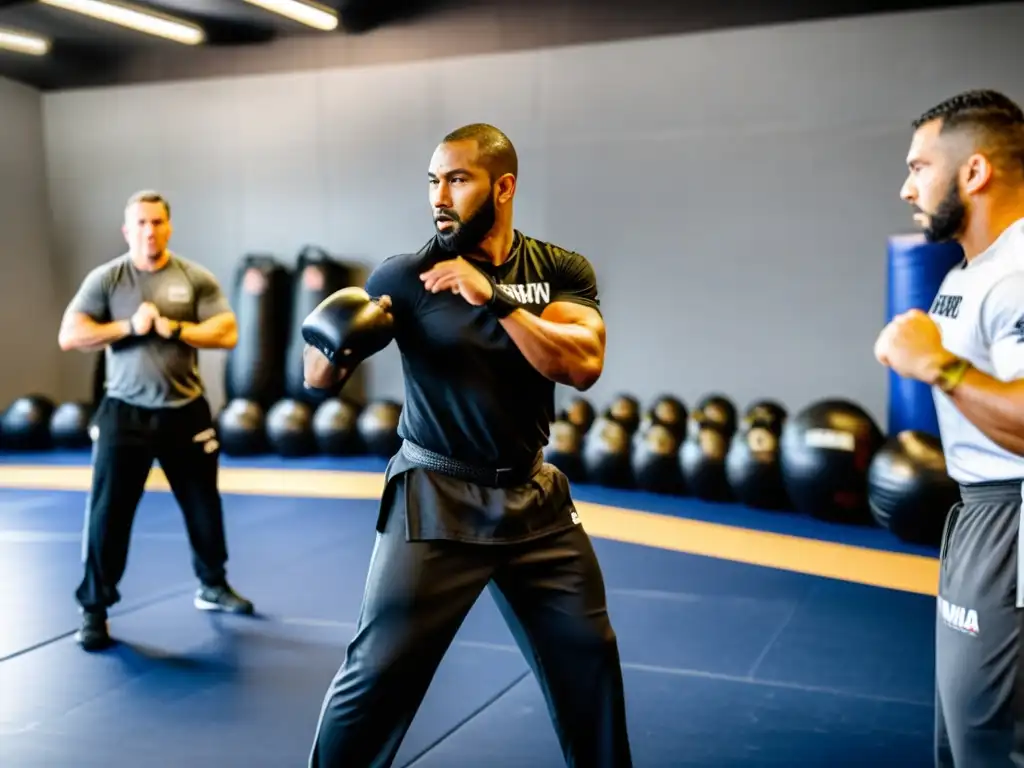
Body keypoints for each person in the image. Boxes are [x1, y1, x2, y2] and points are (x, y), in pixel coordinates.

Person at [300, 124, 633, 767]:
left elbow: (582, 364)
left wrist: (496, 300)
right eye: (433, 181)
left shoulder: (559, 270)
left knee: (588, 660)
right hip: (436, 498)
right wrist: (329, 347)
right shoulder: (406, 276)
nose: (440, 197)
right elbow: (317, 382)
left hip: (534, 504)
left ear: (502, 187)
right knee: (377, 675)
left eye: (457, 179)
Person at [875, 89, 1024, 766]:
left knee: (994, 743)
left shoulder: (1019, 271)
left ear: (974, 172)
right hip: (976, 518)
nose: (907, 187)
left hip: (1013, 520)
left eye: (918, 167)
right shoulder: (975, 269)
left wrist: (937, 365)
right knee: (964, 736)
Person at [58, 190, 254, 652]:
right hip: (123, 414)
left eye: (157, 223)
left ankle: (213, 585)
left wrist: (176, 328)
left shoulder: (193, 278)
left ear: (169, 227)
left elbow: (227, 332)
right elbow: (71, 334)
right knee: (109, 513)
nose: (149, 231)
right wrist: (129, 327)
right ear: (128, 231)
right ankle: (95, 609)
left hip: (185, 411)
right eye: (141, 223)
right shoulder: (107, 280)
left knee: (203, 505)